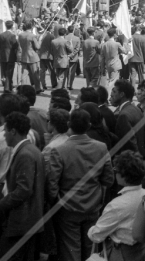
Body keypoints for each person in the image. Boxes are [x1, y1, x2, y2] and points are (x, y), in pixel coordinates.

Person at [47, 109, 115, 261]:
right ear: (89, 125)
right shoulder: (101, 147)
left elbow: (52, 184)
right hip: (93, 206)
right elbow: (109, 179)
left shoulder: (59, 150)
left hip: (68, 208)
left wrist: (57, 202)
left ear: (69, 124)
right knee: (90, 249)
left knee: (70, 250)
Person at [0, 112, 45, 260]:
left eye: (5, 130)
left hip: (21, 221)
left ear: (13, 131)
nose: (4, 134)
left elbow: (23, 190)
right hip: (29, 220)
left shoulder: (25, 154)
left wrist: (2, 204)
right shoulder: (30, 150)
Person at [88, 151, 145, 261]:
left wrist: (91, 230)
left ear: (123, 176)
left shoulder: (117, 205)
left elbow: (96, 236)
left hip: (122, 254)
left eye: (116, 171)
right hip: (144, 251)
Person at [110, 79, 145, 157]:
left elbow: (129, 142)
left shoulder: (124, 115)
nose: (111, 94)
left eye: (114, 92)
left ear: (122, 94)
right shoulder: (136, 109)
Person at [42, 108, 70, 173]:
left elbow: (45, 170)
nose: (48, 122)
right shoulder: (68, 139)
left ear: (54, 124)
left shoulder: (50, 147)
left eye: (48, 120)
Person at [18, 21, 41, 92]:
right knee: (35, 74)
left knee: (24, 74)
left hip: (24, 56)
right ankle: (37, 88)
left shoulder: (20, 35)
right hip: (32, 56)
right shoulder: (32, 35)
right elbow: (37, 47)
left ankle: (22, 89)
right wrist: (40, 40)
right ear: (31, 27)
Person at [0, 20, 18, 91]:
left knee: (4, 72)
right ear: (12, 26)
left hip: (2, 55)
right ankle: (7, 87)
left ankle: (8, 85)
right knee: (9, 73)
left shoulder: (1, 35)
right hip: (11, 56)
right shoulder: (12, 35)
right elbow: (15, 46)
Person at [66, 25, 81, 90]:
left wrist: (68, 55)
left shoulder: (64, 37)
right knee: (72, 72)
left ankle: (67, 84)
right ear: (73, 30)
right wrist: (71, 55)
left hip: (66, 57)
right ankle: (70, 85)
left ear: (68, 30)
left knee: (66, 72)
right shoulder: (77, 38)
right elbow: (77, 49)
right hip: (73, 58)